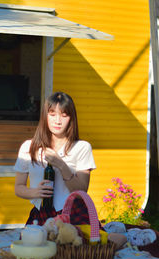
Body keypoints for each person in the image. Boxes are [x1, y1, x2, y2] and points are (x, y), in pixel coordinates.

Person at [14, 91, 127, 249]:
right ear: (45, 116)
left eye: (64, 115)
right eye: (52, 114)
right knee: (35, 247)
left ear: (71, 118)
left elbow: (82, 189)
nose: (57, 120)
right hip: (42, 213)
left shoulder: (81, 147)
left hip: (73, 212)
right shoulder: (29, 147)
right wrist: (35, 192)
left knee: (85, 247)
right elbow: (18, 188)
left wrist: (61, 164)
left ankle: (120, 235)